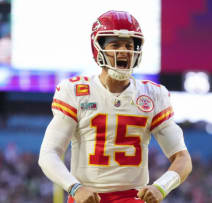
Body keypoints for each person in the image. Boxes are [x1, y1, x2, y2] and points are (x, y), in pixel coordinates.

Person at [38, 10, 192, 203]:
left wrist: (161, 187)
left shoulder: (152, 94)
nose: (124, 51)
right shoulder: (75, 91)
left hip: (132, 197)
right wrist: (75, 188)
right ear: (98, 49)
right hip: (87, 197)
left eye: (129, 45)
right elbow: (48, 154)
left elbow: (182, 158)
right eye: (115, 45)